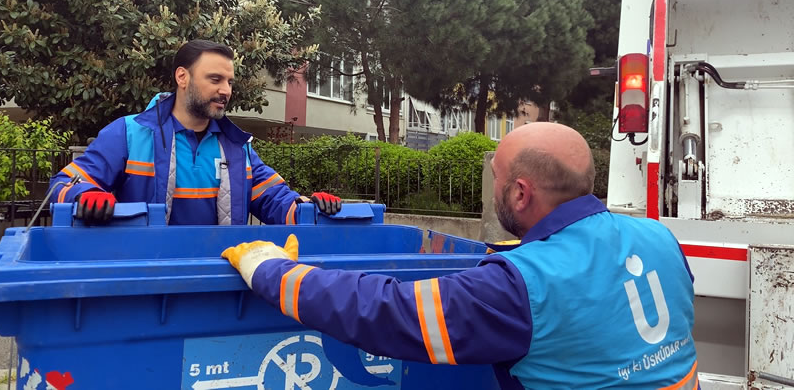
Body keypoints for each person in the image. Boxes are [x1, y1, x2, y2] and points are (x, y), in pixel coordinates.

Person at [222, 122, 699, 389]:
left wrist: (270, 270)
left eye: (497, 177)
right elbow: (597, 292)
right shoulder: (658, 238)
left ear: (519, 194)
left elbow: (383, 313)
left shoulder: (517, 288)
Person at [48, 39, 341, 225]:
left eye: (229, 81)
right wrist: (84, 194)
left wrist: (307, 207)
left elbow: (273, 198)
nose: (225, 90)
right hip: (144, 285)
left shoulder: (237, 147)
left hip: (216, 283)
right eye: (215, 79)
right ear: (182, 77)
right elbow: (61, 185)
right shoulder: (128, 133)